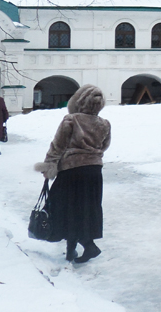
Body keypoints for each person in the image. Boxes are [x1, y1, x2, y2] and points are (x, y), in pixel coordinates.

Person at [34, 84, 111, 264]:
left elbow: (58, 145)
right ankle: (77, 248)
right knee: (86, 209)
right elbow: (105, 146)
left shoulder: (71, 120)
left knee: (66, 208)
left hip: (72, 170)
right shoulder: (104, 123)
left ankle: (84, 246)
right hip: (94, 172)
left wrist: (49, 165)